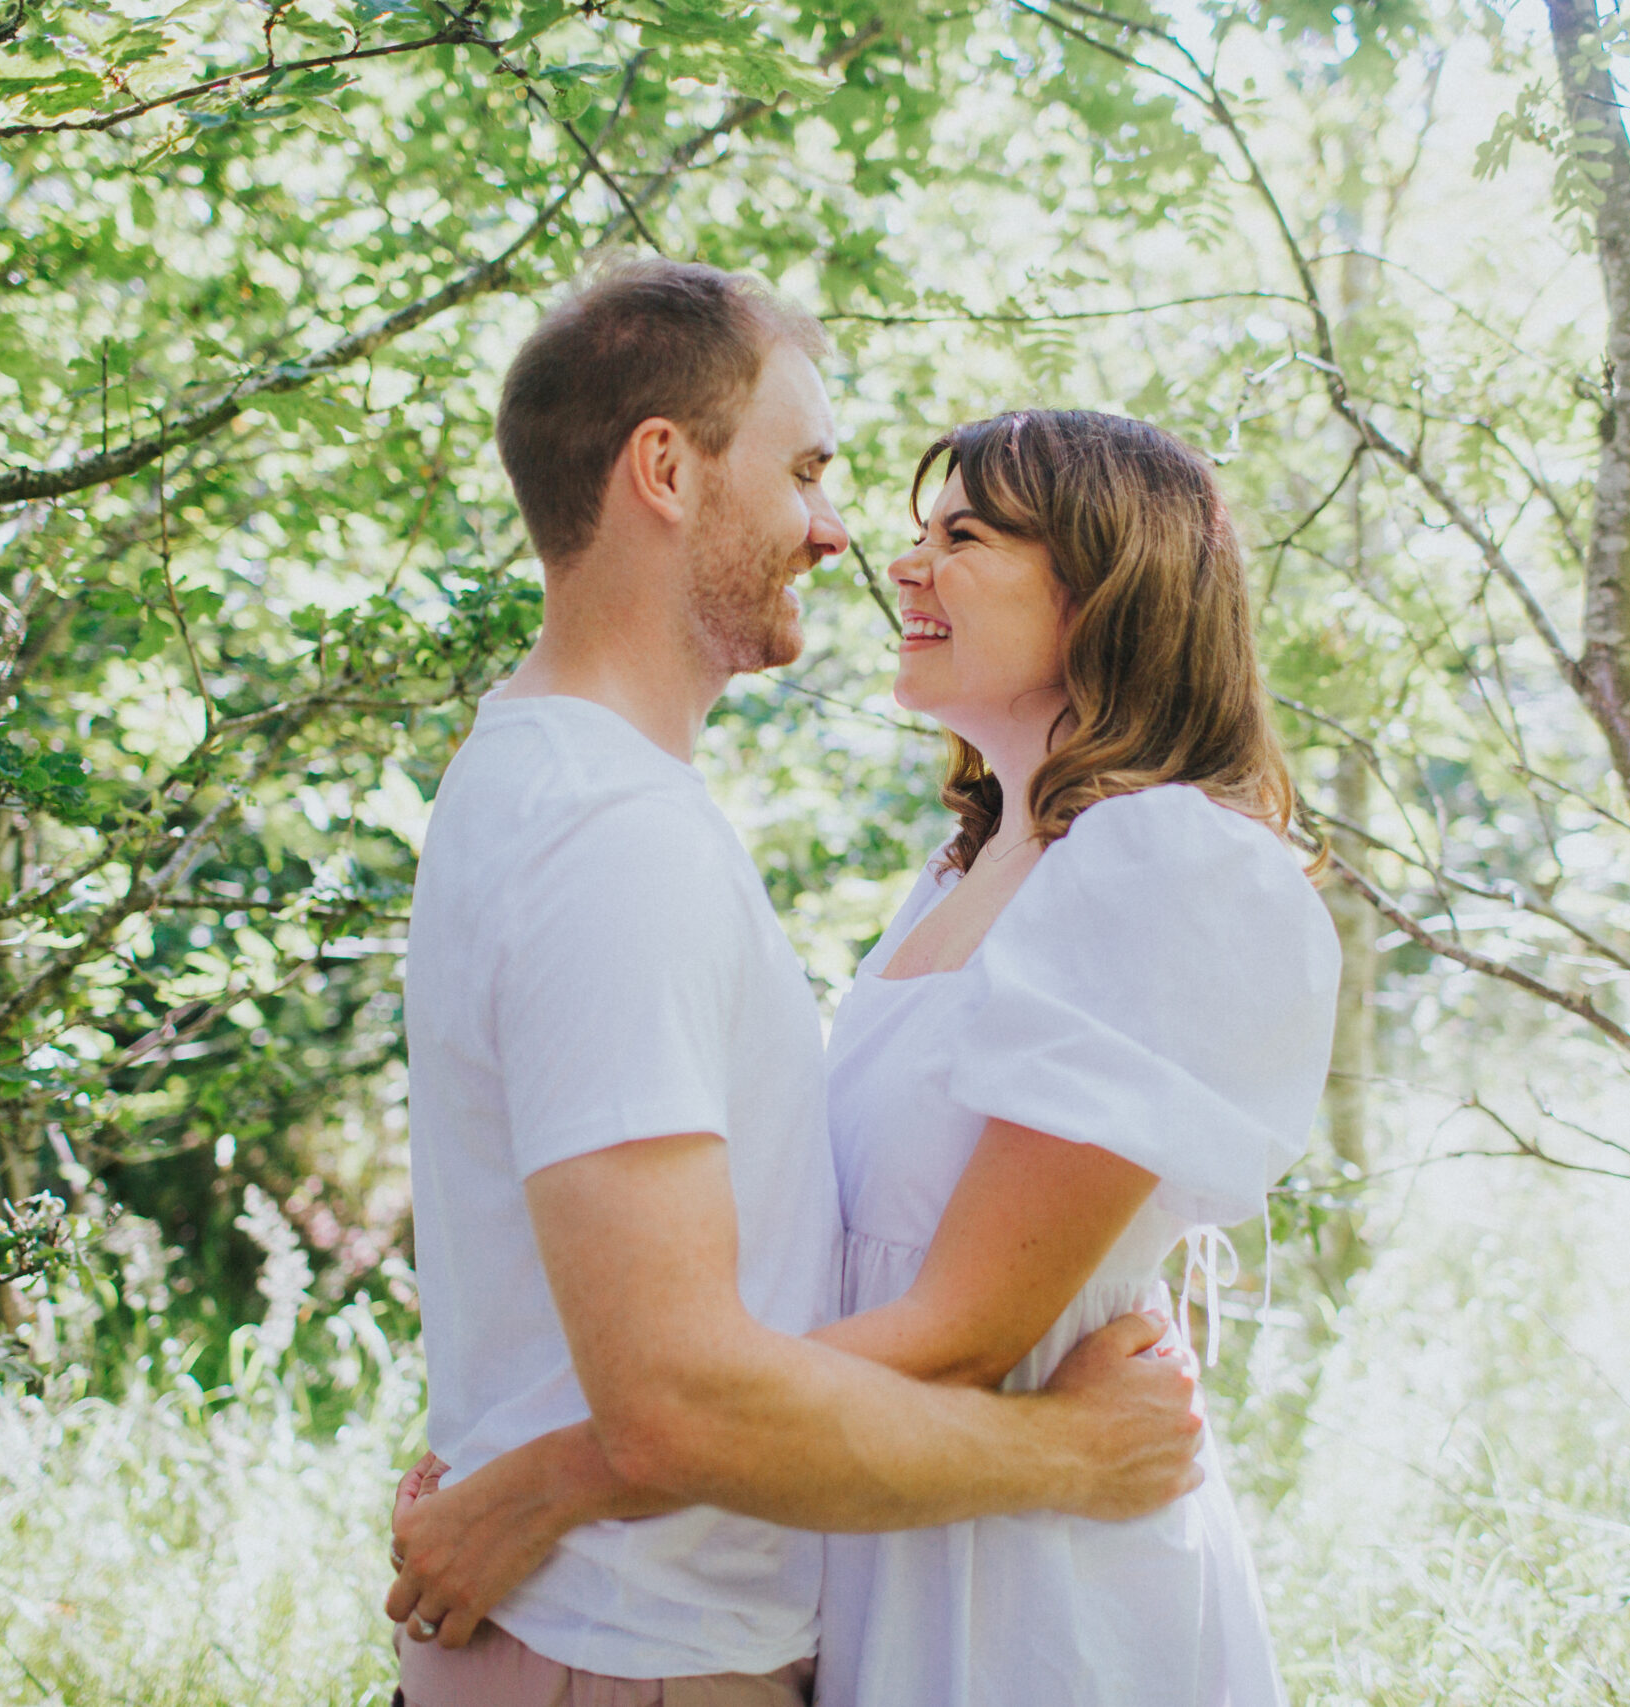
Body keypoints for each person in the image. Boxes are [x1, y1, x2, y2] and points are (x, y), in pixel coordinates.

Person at [392, 398, 1341, 1706]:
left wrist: (552, 1477)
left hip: (1026, 1590)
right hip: (870, 1527)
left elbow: (958, 1330)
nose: (905, 563)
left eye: (965, 535)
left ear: (1107, 583)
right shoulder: (963, 870)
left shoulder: (1164, 865)